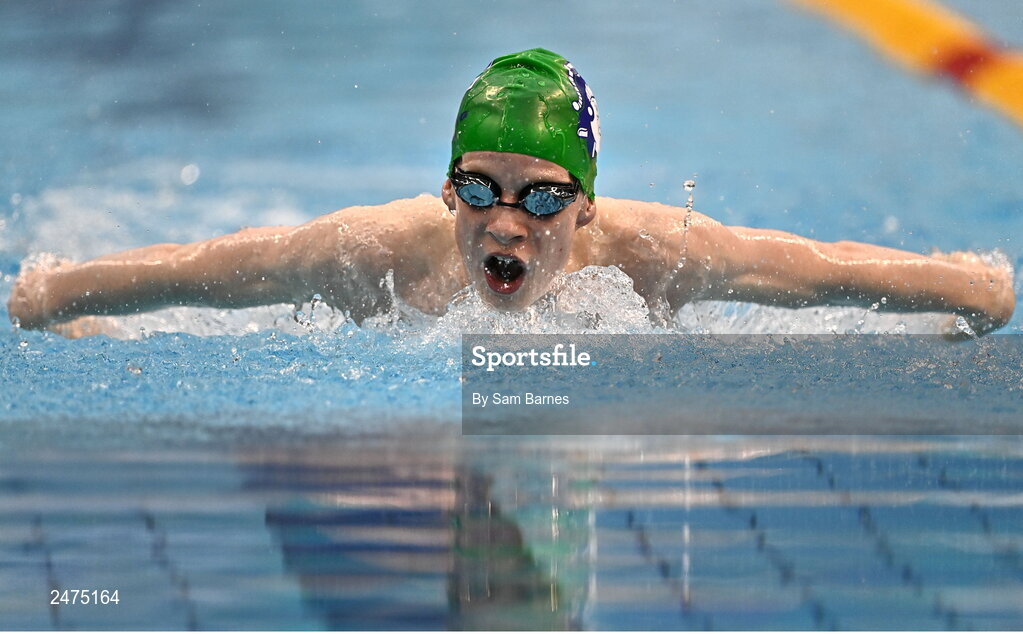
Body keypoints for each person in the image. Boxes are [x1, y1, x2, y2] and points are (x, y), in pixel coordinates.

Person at [5, 48, 1015, 337]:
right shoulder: (378, 254)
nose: (503, 220)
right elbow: (214, 272)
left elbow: (813, 271)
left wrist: (965, 288)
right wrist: (61, 293)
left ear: (587, 207)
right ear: (446, 192)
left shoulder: (652, 255)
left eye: (540, 199)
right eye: (479, 187)